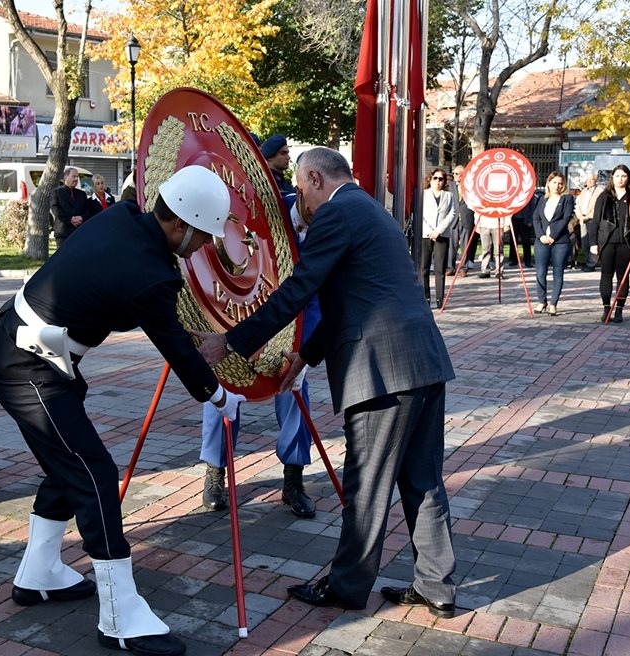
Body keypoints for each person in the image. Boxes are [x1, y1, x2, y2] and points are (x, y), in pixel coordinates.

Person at [0, 166, 245, 656]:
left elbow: (127, 301)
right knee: (94, 474)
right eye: (202, 236)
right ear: (180, 224)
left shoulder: (123, 218)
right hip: (28, 367)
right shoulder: (148, 271)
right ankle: (121, 615)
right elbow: (173, 346)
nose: (202, 247)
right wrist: (219, 396)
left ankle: (39, 574)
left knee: (67, 465)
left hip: (34, 356)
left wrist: (170, 326)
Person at [195, 147, 457, 619]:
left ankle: (347, 586)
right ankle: (437, 587)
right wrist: (305, 355)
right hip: (423, 363)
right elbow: (348, 298)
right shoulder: (371, 209)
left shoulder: (336, 214)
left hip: (381, 372)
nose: (302, 204)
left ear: (315, 179)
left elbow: (299, 289)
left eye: (301, 191)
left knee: (367, 484)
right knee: (423, 481)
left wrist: (231, 342)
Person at [200, 190, 322, 518]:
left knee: (295, 388)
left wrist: (304, 352)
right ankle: (215, 470)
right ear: (306, 187)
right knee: (219, 388)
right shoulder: (263, 205)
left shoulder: (328, 226)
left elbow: (317, 297)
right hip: (239, 318)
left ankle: (293, 477)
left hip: (290, 328)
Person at [590, 164, 630, 323]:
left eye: (624, 176)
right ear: (612, 177)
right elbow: (595, 221)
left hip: (626, 243)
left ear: (628, 178)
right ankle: (606, 308)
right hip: (607, 242)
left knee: (623, 277)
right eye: (618, 176)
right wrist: (593, 243)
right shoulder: (604, 196)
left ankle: (619, 309)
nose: (620, 179)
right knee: (606, 275)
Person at [532, 171, 574, 316]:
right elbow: (536, 218)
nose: (557, 186)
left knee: (558, 272)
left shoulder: (567, 198)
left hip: (560, 242)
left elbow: (565, 218)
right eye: (554, 182)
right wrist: (541, 235)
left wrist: (553, 236)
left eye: (560, 183)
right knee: (540, 272)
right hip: (542, 241)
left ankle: (553, 303)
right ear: (548, 183)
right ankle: (541, 301)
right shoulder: (542, 199)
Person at [420, 168, 455, 309]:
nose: (438, 181)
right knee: (424, 268)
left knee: (440, 268)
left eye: (441, 179)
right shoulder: (423, 194)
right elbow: (419, 213)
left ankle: (440, 299)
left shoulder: (449, 196)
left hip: (442, 235)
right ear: (430, 179)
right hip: (426, 234)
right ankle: (425, 298)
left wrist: (439, 230)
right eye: (435, 178)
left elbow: (452, 213)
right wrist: (430, 231)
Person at [50, 167, 90, 249]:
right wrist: (70, 219)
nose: (76, 179)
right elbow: (55, 209)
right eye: (73, 176)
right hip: (63, 233)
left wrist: (81, 218)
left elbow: (87, 210)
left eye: (77, 177)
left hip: (79, 232)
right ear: (66, 177)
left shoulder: (82, 194)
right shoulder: (56, 192)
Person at [451, 165, 477, 275]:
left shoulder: (471, 185)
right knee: (452, 244)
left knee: (465, 244)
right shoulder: (451, 185)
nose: (454, 175)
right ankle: (450, 267)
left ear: (463, 175)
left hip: (466, 218)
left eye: (456, 174)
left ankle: (463, 268)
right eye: (453, 173)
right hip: (453, 218)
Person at [576, 172, 603, 272]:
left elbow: (598, 208)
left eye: (592, 179)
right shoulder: (584, 191)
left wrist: (588, 217)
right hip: (582, 220)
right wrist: (580, 216)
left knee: (593, 242)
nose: (590, 181)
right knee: (585, 242)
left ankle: (592, 263)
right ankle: (588, 260)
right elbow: (578, 205)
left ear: (596, 180)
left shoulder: (600, 191)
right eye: (588, 180)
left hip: (593, 220)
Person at [476, 212, 510, 279]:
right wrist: (477, 224)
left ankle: (499, 271)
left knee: (499, 250)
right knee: (485, 249)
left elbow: (507, 209)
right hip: (484, 224)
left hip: (499, 224)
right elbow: (478, 209)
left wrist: (507, 223)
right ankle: (485, 270)